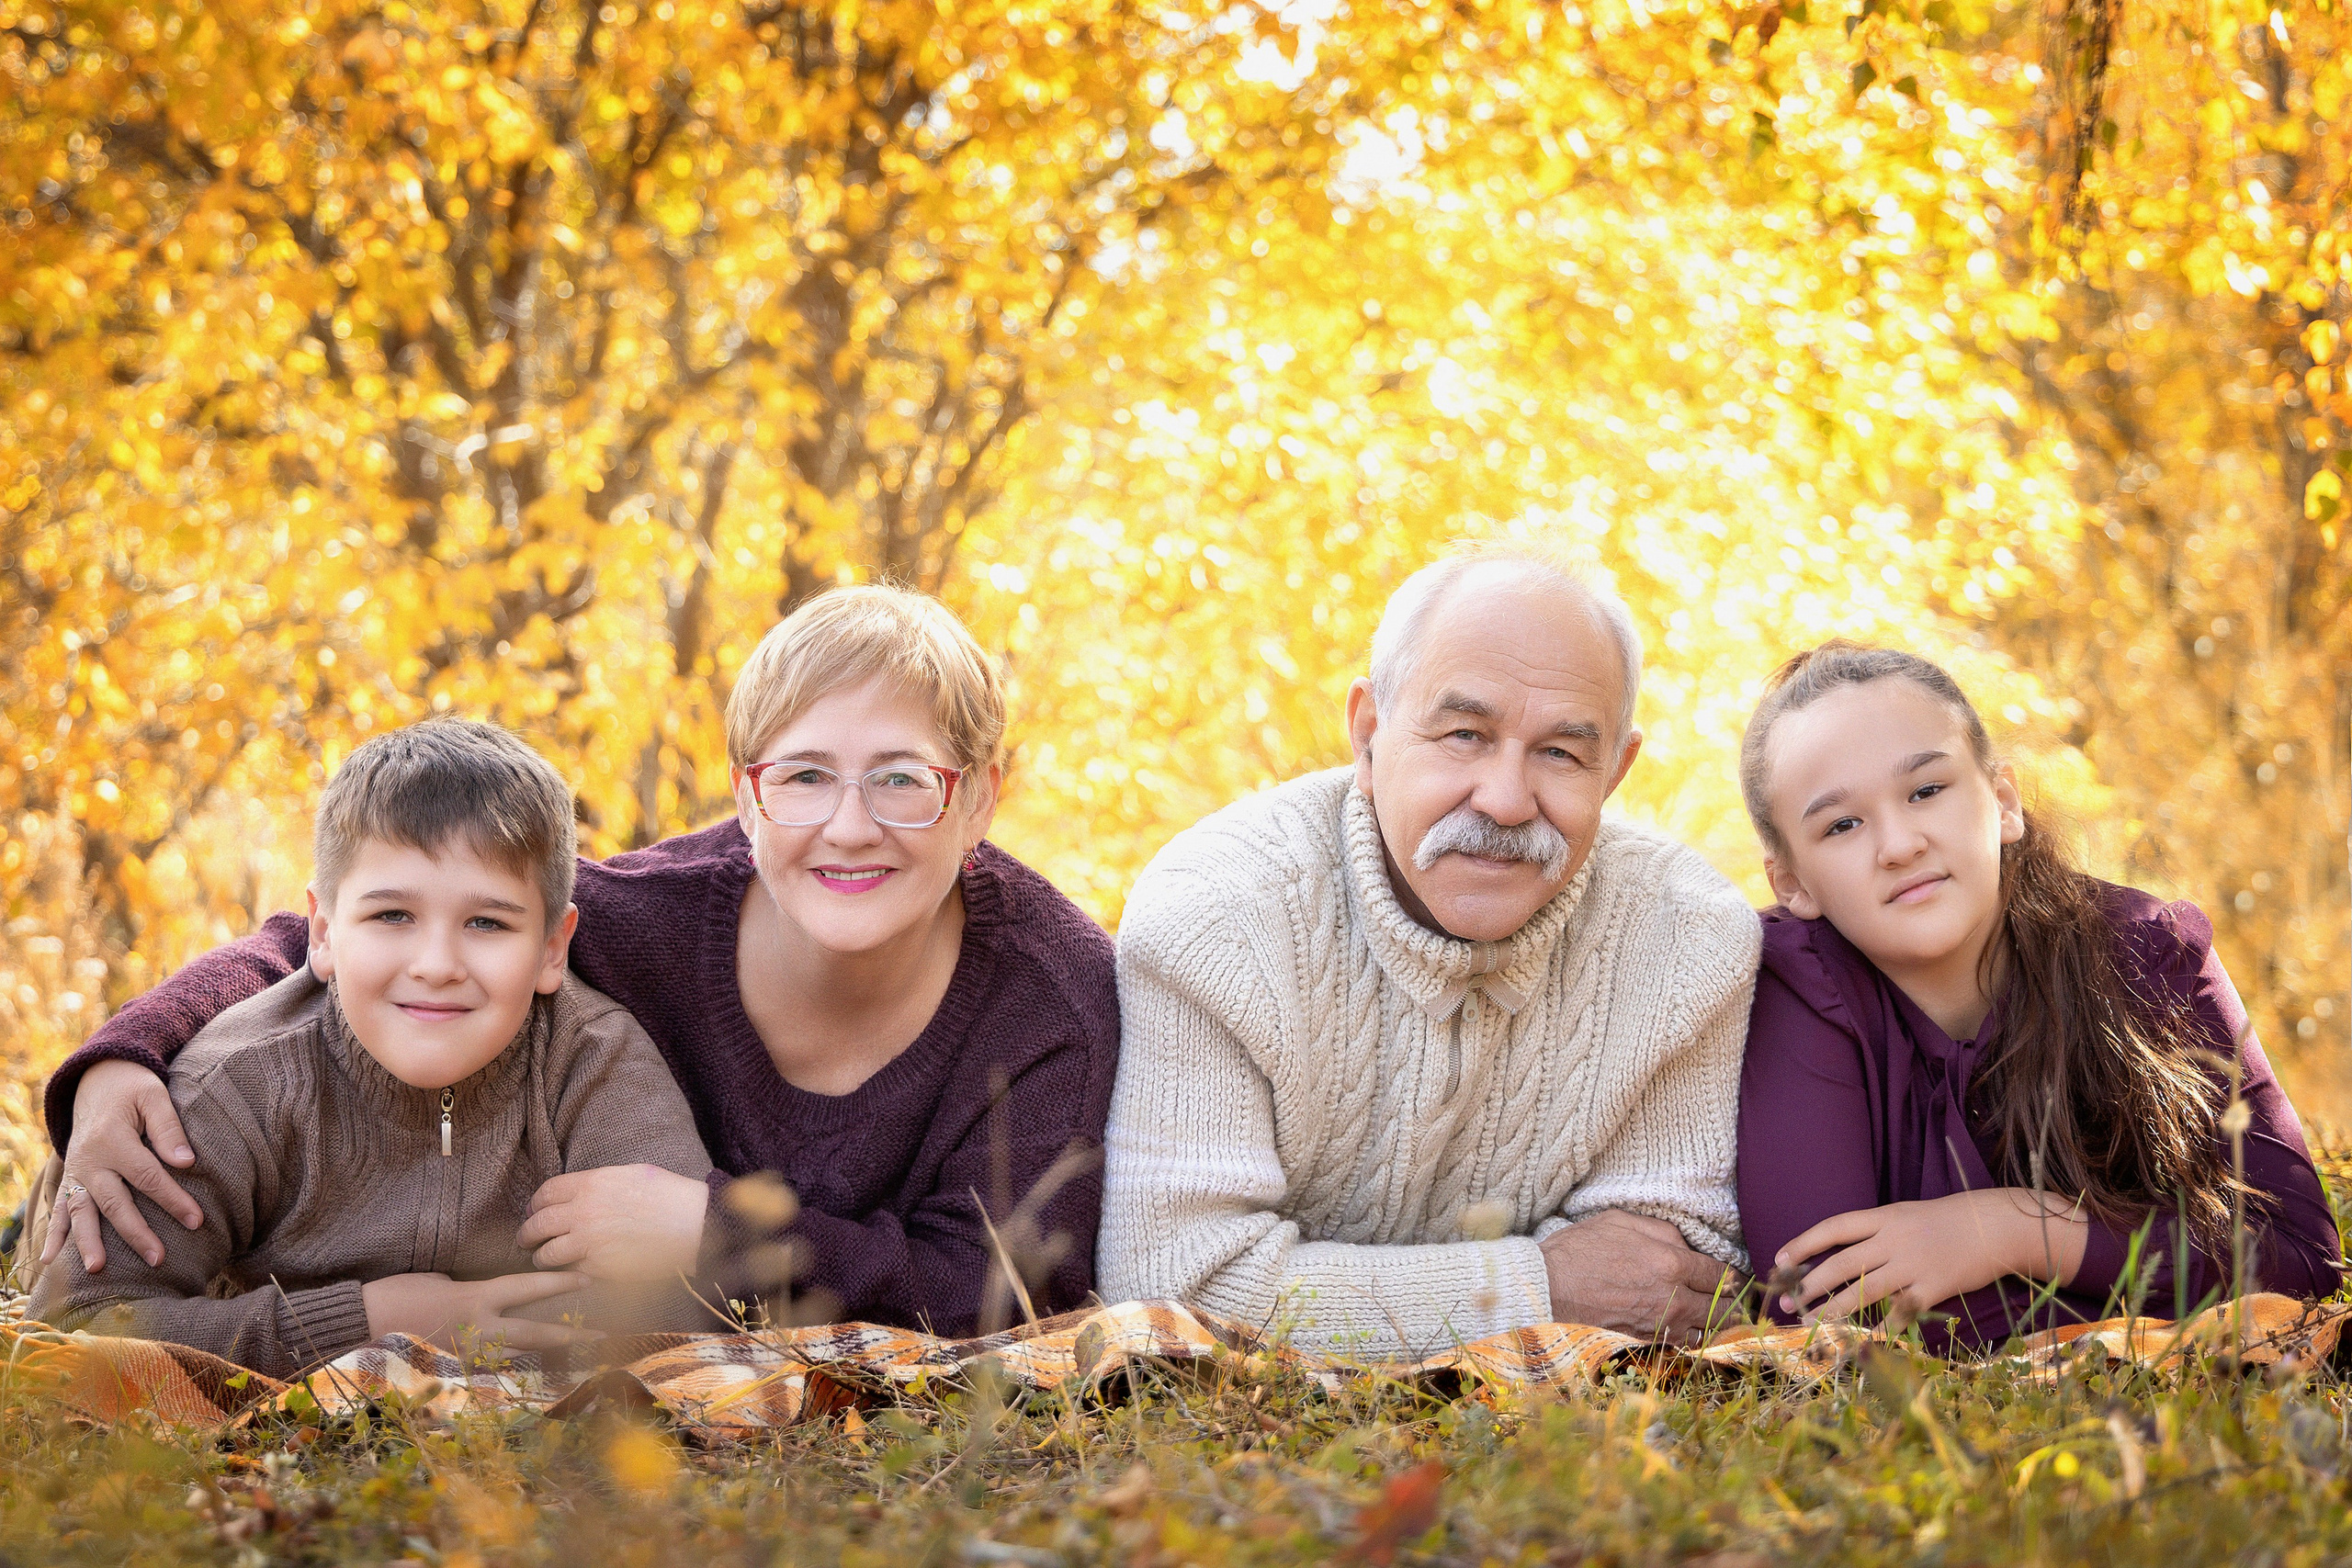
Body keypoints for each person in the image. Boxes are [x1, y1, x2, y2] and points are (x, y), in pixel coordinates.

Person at [38, 585, 1120, 1338]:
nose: (847, 826)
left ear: (977, 799)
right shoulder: (642, 920)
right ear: (746, 797)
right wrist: (122, 1057)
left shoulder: (1050, 1002)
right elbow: (335, 939)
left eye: (902, 780)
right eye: (802, 777)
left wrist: (716, 1234)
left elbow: (1008, 1293)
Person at [1098, 542, 1760, 1358]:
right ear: (1368, 735)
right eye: (1464, 734)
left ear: (1615, 772)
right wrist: (1541, 1287)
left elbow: (1666, 1277)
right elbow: (1174, 1287)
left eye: (1560, 752)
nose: (1507, 800)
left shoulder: (1688, 938)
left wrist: (1313, 1294)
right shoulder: (1217, 916)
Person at [27, 719, 714, 1376]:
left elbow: (682, 1301)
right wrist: (368, 1322)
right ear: (324, 932)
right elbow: (72, 1326)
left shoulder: (594, 1060)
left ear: (552, 949)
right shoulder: (238, 1084)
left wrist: (467, 1328)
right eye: (392, 915)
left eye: (487, 923)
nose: (437, 964)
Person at [1736, 641, 2341, 1351]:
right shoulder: (1794, 984)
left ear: (2003, 802)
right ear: (1792, 883)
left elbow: (2300, 1260)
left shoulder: (2147, 951)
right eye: (1842, 824)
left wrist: (2014, 1230)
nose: (1898, 844)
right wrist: (2147, 1280)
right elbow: (1823, 1315)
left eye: (1926, 790)